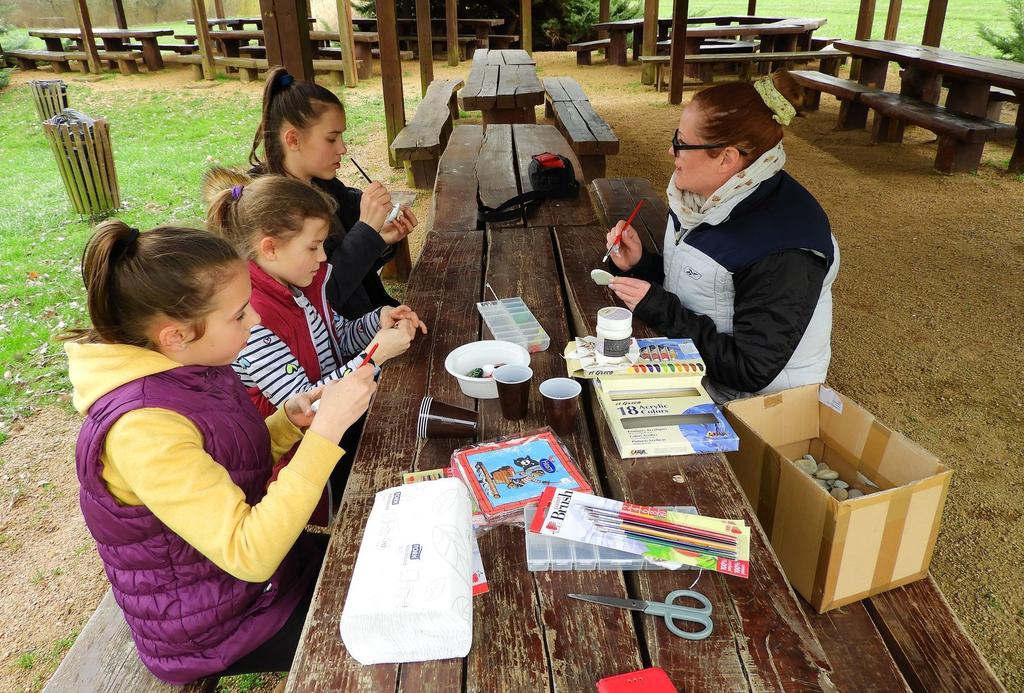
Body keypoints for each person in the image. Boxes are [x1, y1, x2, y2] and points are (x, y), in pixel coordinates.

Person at [63, 222, 376, 683]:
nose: (255, 321)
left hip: (253, 586)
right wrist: (327, 436)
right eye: (239, 314)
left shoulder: (189, 364)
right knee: (387, 634)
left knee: (384, 561)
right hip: (215, 624)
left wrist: (289, 424)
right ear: (174, 334)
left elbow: (228, 458)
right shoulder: (142, 429)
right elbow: (248, 552)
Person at [202, 167, 426, 523]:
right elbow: (308, 406)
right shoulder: (251, 318)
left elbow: (337, 335)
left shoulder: (301, 283)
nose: (324, 257)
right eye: (313, 246)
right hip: (301, 468)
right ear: (270, 248)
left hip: (340, 433)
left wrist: (376, 321)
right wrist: (376, 354)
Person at [606, 73, 840, 403]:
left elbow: (750, 369)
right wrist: (640, 263)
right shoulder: (702, 197)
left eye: (681, 144)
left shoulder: (783, 247)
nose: (670, 149)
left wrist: (660, 309)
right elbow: (705, 286)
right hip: (700, 371)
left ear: (727, 158)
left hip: (752, 405)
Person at [249, 66, 418, 320]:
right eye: (331, 139)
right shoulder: (268, 208)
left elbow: (356, 275)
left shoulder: (328, 188)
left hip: (365, 327)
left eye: (342, 137)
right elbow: (324, 297)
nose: (343, 148)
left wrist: (382, 238)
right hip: (336, 350)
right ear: (293, 140)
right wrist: (367, 232)